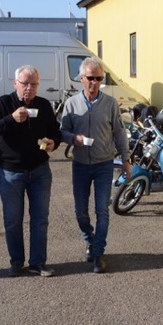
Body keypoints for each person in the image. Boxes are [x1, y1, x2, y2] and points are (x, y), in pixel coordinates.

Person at [0, 65, 60, 278]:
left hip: (39, 170)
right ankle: (16, 262)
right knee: (12, 220)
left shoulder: (43, 105)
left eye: (34, 84)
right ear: (15, 83)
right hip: (10, 172)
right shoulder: (3, 103)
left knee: (40, 219)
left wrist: (54, 143)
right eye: (25, 83)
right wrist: (11, 119)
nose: (29, 88)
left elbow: (55, 131)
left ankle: (38, 263)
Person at [59, 57, 131, 274]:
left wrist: (126, 160)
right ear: (81, 78)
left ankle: (98, 253)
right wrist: (73, 139)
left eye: (99, 79)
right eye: (91, 78)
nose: (95, 82)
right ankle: (89, 240)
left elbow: (119, 133)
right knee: (80, 211)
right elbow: (62, 131)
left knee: (102, 210)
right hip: (80, 164)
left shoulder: (110, 104)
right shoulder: (72, 104)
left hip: (103, 164)